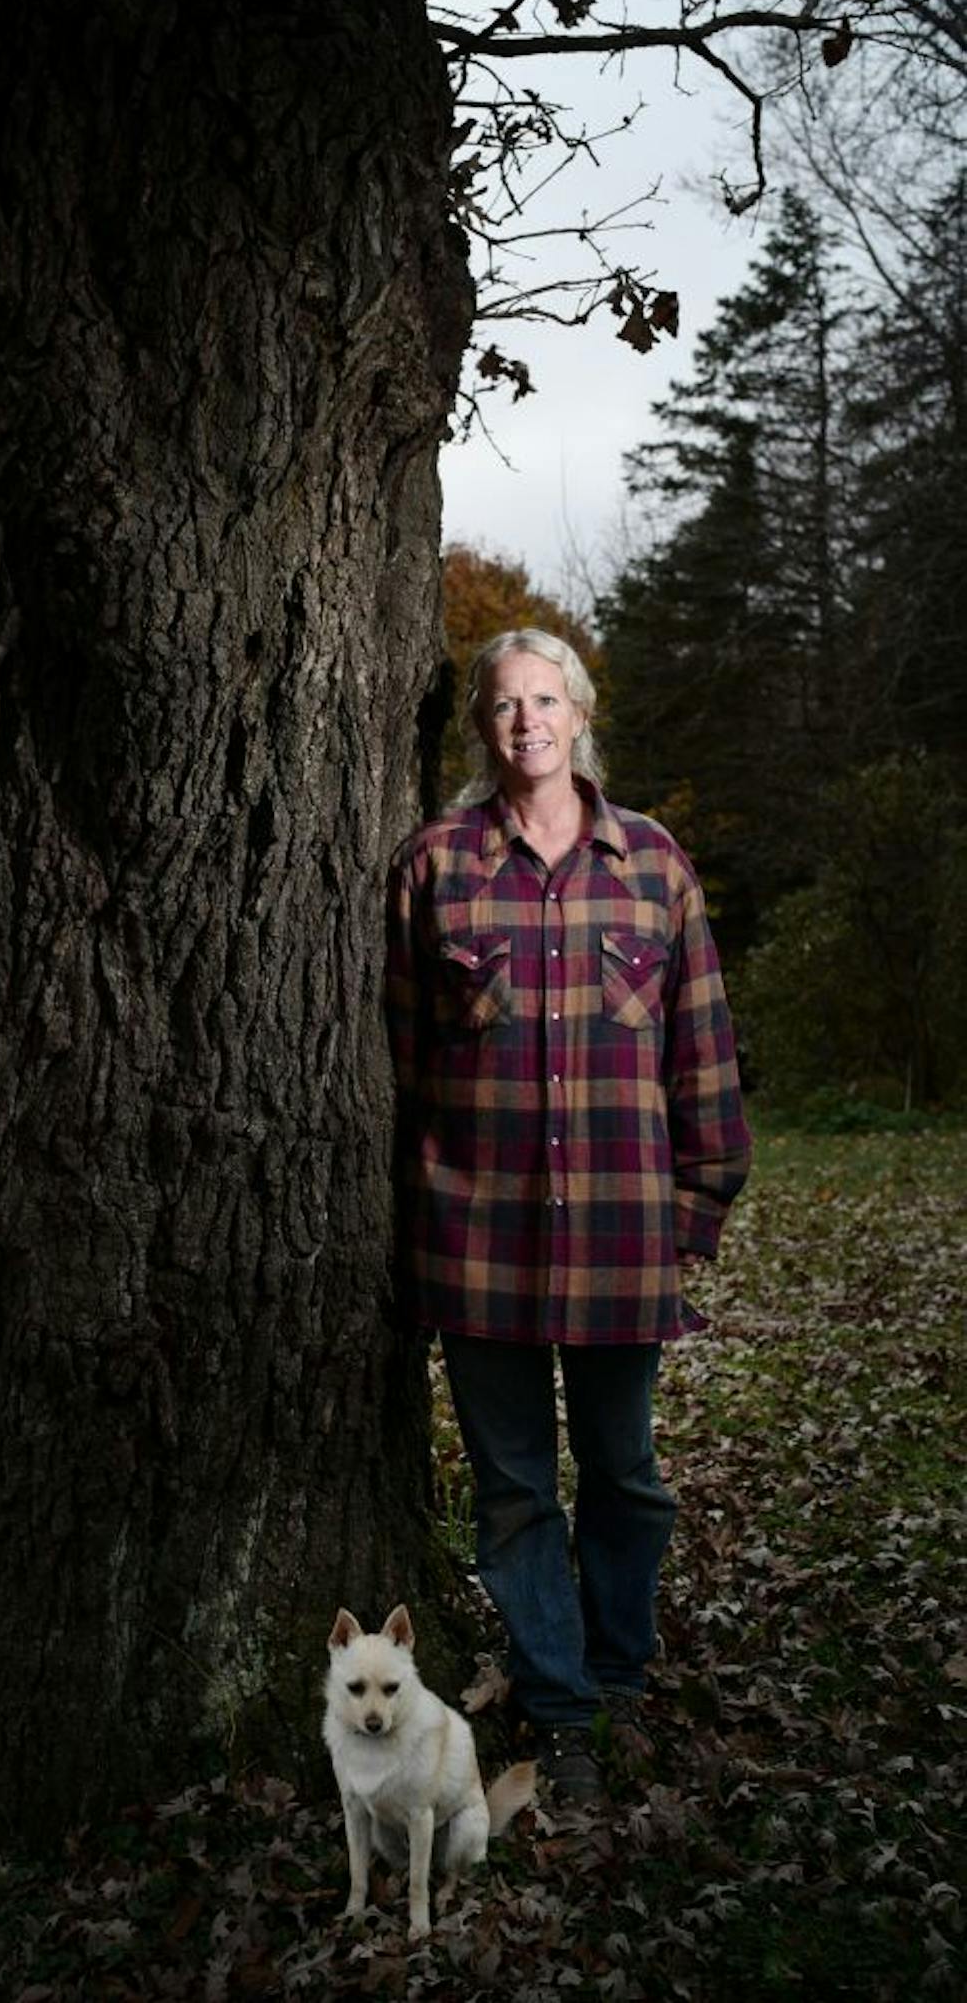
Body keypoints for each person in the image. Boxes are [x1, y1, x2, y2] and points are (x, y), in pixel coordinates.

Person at [384, 627, 751, 1804]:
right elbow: (394, 1063)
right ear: (481, 725)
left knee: (624, 1473)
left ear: (579, 713)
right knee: (513, 1491)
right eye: (502, 703)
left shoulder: (653, 865)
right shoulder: (433, 864)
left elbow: (701, 1055)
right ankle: (559, 1705)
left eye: (545, 699)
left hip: (617, 1240)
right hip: (476, 1239)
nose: (525, 720)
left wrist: (693, 1215)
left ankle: (615, 1664)